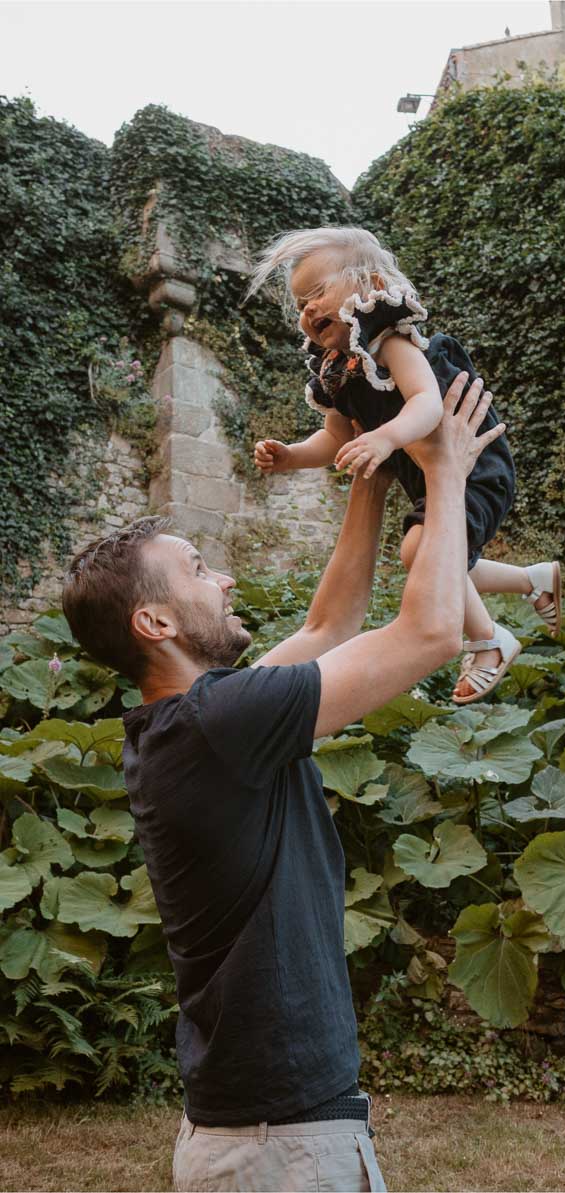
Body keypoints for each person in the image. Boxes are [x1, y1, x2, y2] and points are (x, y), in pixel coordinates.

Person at [60, 373, 503, 1193]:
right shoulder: (214, 725)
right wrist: (443, 471)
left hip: (268, 1133)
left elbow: (330, 624)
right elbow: (435, 630)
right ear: (154, 623)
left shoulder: (195, 723)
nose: (222, 578)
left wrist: (372, 461)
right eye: (198, 569)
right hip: (277, 1148)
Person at [246, 226, 561, 703]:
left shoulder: (391, 342)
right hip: (431, 479)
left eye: (316, 292)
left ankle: (489, 640)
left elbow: (427, 405)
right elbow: (334, 438)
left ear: (370, 287)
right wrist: (292, 456)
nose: (307, 309)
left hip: (473, 465)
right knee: (432, 558)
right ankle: (530, 580)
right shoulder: (339, 371)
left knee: (420, 553)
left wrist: (386, 436)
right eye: (299, 304)